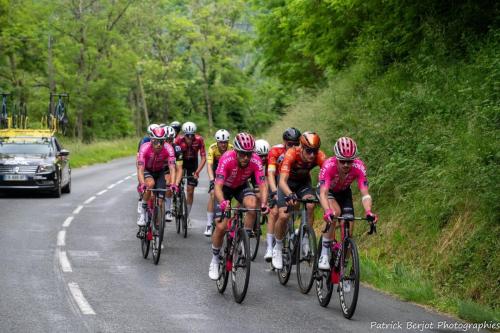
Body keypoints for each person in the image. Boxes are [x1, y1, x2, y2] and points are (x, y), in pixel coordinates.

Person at [208, 133, 269, 280]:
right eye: (242, 154)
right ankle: (215, 260)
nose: (245, 158)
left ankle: (243, 240)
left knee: (253, 204)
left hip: (240, 186)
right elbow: (217, 187)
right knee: (222, 226)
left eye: (248, 154)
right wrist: (223, 202)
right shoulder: (226, 159)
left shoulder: (255, 160)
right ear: (236, 151)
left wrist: (265, 203)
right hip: (224, 189)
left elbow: (263, 184)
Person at [317, 137, 378, 270]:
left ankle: (343, 269)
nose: (346, 164)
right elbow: (323, 193)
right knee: (335, 213)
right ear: (336, 158)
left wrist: (369, 211)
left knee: (349, 230)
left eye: (349, 161)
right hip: (328, 192)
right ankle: (324, 253)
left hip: (344, 192)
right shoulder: (329, 166)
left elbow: (365, 194)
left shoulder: (359, 166)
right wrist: (327, 211)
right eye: (342, 161)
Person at [272, 131, 326, 269]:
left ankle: (305, 238)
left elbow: (327, 175)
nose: (312, 155)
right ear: (301, 147)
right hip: (287, 184)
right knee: (283, 215)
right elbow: (282, 181)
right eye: (308, 151)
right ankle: (277, 248)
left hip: (303, 184)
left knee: (310, 205)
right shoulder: (291, 154)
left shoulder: (319, 156)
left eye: (315, 151)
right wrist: (290, 194)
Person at [263, 127, 301, 262]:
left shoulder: (300, 152)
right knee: (274, 212)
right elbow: (271, 173)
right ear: (284, 142)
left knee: (293, 207)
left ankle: (292, 230)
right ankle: (269, 248)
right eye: (290, 144)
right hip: (276, 180)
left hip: (291, 181)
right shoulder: (275, 151)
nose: (294, 146)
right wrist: (273, 192)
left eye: (297, 143)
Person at [136, 127, 177, 237]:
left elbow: (172, 168)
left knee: (160, 201)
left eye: (161, 141)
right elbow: (140, 169)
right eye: (156, 141)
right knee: (150, 184)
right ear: (151, 140)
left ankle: (157, 230)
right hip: (147, 170)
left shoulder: (168, 149)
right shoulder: (144, 148)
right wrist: (142, 184)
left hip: (159, 172)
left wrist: (173, 184)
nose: (159, 144)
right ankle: (143, 214)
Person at [174, 121, 206, 227]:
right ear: (184, 134)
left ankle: (186, 215)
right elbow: (173, 156)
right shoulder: (178, 140)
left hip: (193, 163)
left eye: (192, 135)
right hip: (181, 161)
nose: (190, 138)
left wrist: (197, 171)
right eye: (188, 135)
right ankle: (176, 199)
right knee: (178, 182)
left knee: (190, 190)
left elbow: (203, 157)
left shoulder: (199, 140)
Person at [204, 129, 233, 236]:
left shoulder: (231, 148)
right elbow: (209, 166)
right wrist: (212, 180)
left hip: (228, 172)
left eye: (225, 142)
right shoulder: (212, 148)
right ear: (217, 142)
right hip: (216, 172)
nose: (223, 144)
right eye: (221, 142)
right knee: (212, 194)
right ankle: (208, 224)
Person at [163, 125, 184, 221]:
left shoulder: (177, 149)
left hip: (173, 169)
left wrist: (176, 183)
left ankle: (168, 210)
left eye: (171, 139)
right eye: (166, 140)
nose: (168, 142)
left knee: (171, 183)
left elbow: (179, 169)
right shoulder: (159, 148)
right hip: (162, 169)